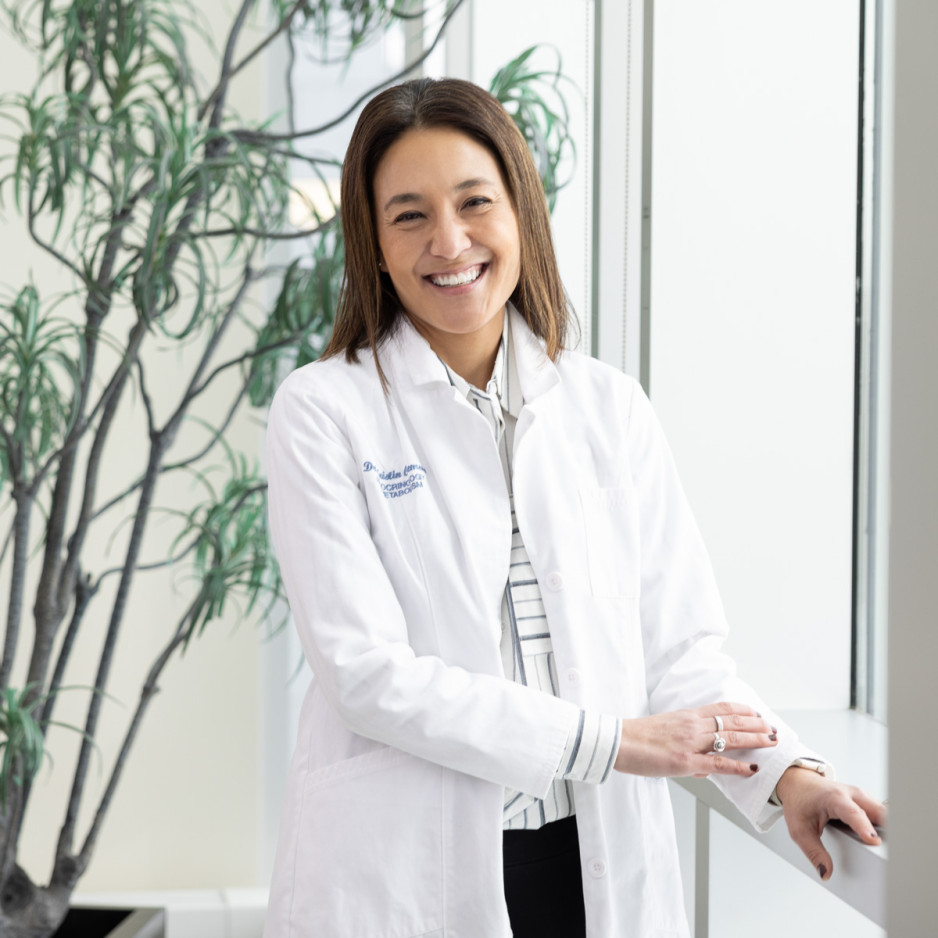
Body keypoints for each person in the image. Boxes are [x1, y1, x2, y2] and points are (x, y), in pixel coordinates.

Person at [263, 77, 885, 938]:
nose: (449, 241)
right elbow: (367, 674)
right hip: (409, 870)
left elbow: (681, 654)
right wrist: (611, 743)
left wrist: (791, 775)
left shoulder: (607, 408)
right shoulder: (324, 410)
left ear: (521, 213)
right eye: (409, 215)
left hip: (593, 864)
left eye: (475, 202)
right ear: (373, 245)